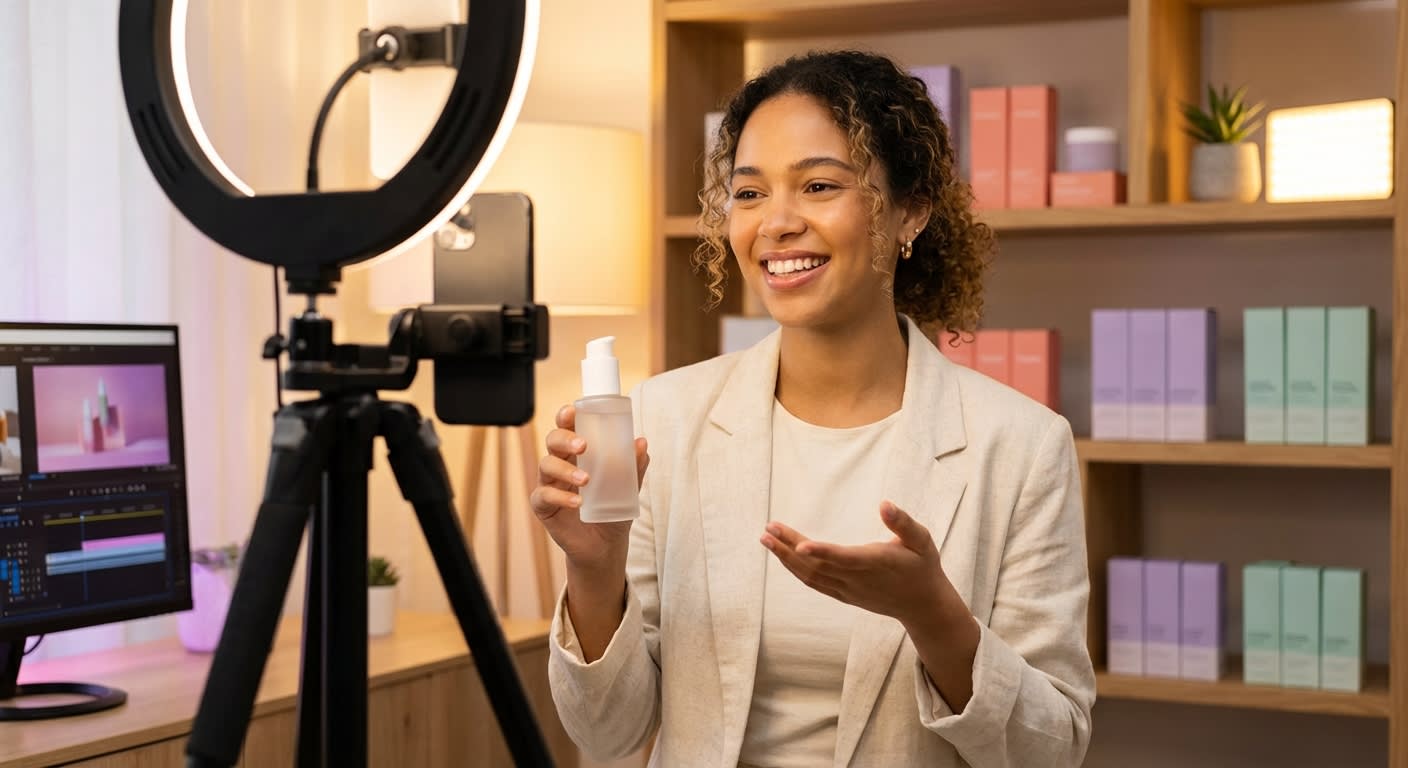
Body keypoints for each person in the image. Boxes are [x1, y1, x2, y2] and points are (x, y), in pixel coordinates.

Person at [529, 49, 1095, 767]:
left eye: (819, 185)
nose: (777, 223)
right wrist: (594, 573)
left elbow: (1052, 750)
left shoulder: (1020, 446)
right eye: (750, 193)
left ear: (910, 211)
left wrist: (933, 614)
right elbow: (606, 734)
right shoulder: (662, 420)